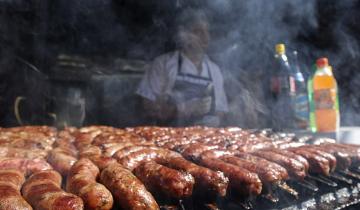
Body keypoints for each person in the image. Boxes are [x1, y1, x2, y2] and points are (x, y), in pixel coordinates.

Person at [136, 9, 228, 127]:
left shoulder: (215, 71)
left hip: (206, 141)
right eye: (198, 32)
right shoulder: (163, 64)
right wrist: (184, 108)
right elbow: (146, 108)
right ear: (183, 35)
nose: (205, 37)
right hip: (167, 139)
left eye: (207, 31)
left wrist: (213, 119)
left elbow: (221, 110)